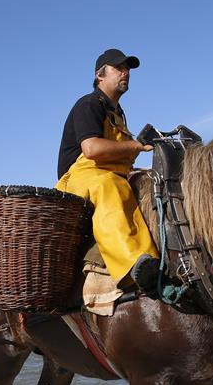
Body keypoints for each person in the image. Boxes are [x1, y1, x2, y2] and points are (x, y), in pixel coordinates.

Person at [56, 48, 161, 292]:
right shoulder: (89, 104)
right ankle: (134, 267)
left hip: (108, 171)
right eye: (119, 68)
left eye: (128, 69)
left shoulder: (117, 112)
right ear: (99, 75)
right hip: (79, 176)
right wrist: (133, 145)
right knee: (109, 186)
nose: (125, 73)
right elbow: (91, 149)